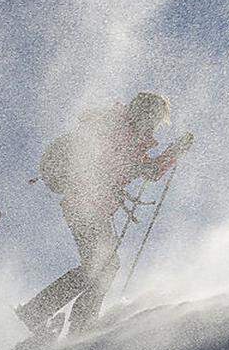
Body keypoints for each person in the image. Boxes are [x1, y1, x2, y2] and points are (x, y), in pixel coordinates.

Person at [17, 92, 192, 337]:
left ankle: (63, 319)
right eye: (154, 119)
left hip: (93, 208)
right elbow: (118, 163)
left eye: (157, 122)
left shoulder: (132, 136)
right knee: (103, 266)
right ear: (143, 111)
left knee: (104, 267)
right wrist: (168, 155)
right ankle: (71, 323)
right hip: (84, 205)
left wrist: (171, 153)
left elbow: (145, 171)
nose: (154, 125)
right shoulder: (117, 128)